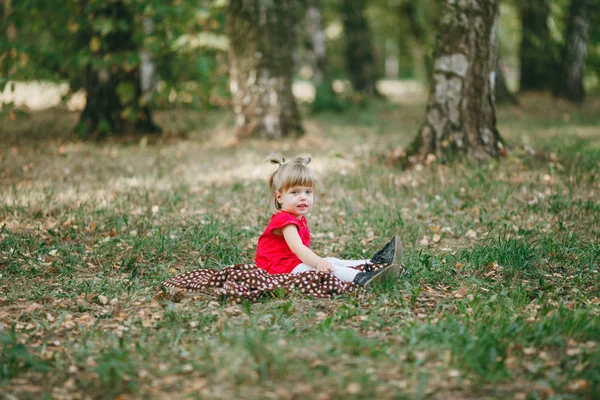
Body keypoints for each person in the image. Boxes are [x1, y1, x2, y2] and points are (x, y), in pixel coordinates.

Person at [255, 153, 403, 287]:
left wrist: (321, 261)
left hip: (290, 263)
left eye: (308, 192)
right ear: (279, 197)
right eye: (295, 192)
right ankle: (363, 279)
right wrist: (319, 262)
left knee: (331, 260)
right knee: (329, 268)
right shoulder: (284, 220)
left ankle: (372, 263)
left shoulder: (297, 218)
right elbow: (297, 248)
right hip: (278, 268)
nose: (303, 197)